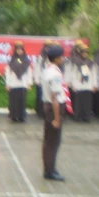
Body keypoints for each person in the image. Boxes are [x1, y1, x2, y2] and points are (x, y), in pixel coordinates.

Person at [42, 45, 70, 181]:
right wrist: (57, 119)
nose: (63, 59)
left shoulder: (48, 70)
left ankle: (49, 168)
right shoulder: (55, 74)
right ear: (57, 58)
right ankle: (50, 171)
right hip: (54, 110)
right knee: (53, 141)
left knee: (48, 141)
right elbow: (55, 98)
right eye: (62, 57)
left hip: (48, 108)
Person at [68, 42, 96, 122]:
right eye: (83, 52)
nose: (85, 54)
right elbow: (73, 74)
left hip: (88, 85)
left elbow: (93, 74)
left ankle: (86, 117)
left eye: (86, 52)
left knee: (87, 102)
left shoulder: (91, 62)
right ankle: (78, 117)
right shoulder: (77, 62)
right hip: (79, 85)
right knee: (78, 102)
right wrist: (74, 85)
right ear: (80, 53)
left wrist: (94, 85)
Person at [5, 41, 32, 123]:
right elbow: (8, 73)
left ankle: (21, 117)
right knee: (13, 101)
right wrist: (7, 84)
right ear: (15, 50)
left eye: (21, 50)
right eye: (18, 50)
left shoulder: (26, 61)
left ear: (23, 50)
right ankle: (13, 116)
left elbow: (29, 73)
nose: (19, 51)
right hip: (13, 84)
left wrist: (29, 83)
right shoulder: (12, 60)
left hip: (23, 84)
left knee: (22, 101)